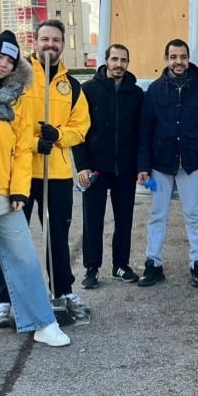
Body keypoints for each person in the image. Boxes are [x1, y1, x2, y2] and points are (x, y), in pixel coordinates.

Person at [0, 30, 70, 347]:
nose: (2, 64)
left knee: (23, 256)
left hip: (3, 188)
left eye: (10, 60)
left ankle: (41, 322)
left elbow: (23, 149)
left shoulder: (17, 98)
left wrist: (20, 190)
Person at [0, 20, 91, 322]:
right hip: (20, 174)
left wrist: (57, 135)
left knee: (57, 236)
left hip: (56, 174)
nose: (50, 44)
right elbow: (8, 122)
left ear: (63, 43)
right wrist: (36, 142)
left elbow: (81, 128)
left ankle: (62, 290)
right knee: (11, 236)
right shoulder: (18, 78)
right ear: (35, 42)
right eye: (45, 39)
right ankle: (3, 299)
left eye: (56, 40)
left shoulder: (71, 86)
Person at [136, 39, 198, 287]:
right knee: (157, 215)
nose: (179, 62)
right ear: (166, 59)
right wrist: (143, 166)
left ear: (188, 58)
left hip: (192, 163)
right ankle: (153, 264)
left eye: (183, 56)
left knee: (195, 215)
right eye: (173, 57)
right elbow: (145, 130)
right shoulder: (155, 90)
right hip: (160, 163)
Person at [73, 43, 145, 287]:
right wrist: (82, 165)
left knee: (124, 219)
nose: (119, 65)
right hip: (95, 168)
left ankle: (120, 265)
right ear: (106, 61)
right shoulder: (88, 90)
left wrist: (140, 165)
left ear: (127, 63)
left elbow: (141, 132)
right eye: (114, 59)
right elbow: (78, 131)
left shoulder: (135, 94)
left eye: (123, 60)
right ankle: (91, 269)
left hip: (125, 168)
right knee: (93, 219)